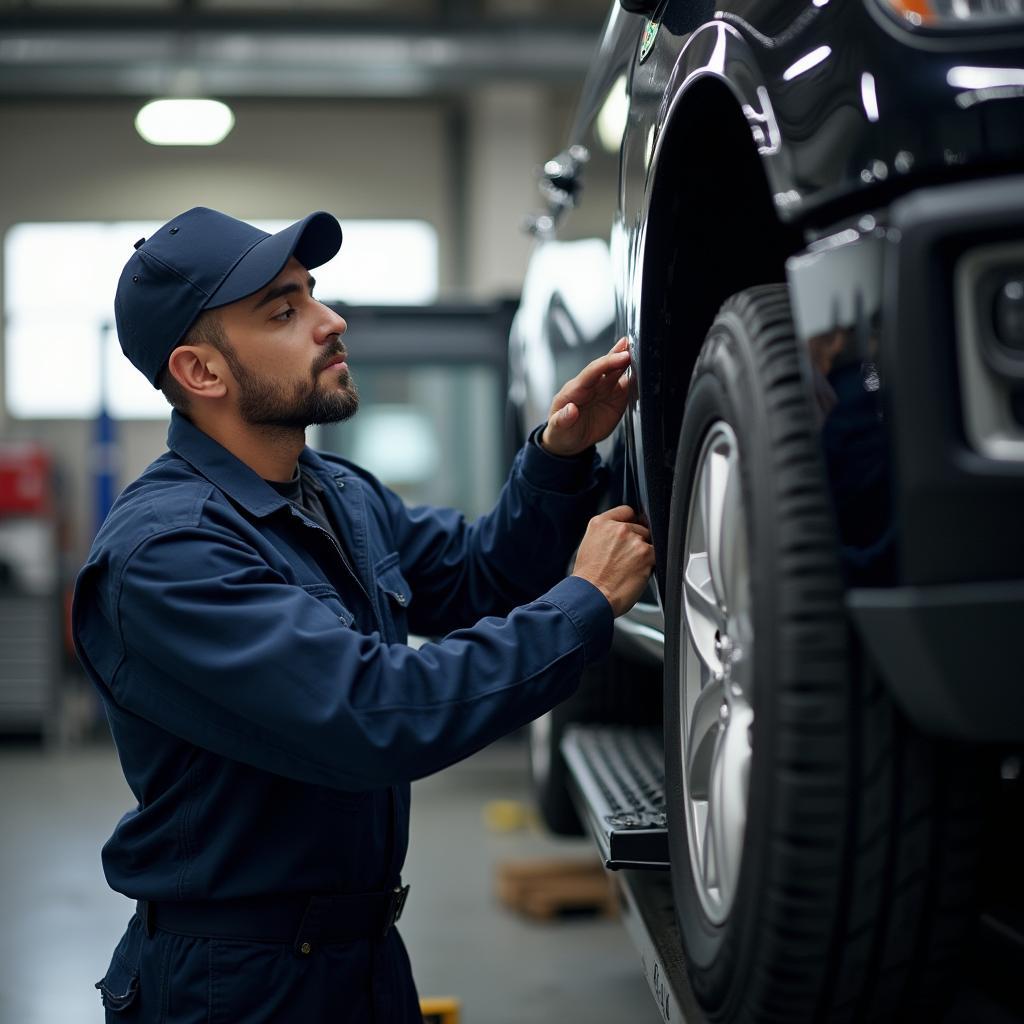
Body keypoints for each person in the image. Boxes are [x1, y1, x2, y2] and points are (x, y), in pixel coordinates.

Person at [72, 206, 654, 1023]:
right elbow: (372, 715)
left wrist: (557, 459)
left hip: (367, 959)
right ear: (202, 373)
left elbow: (479, 576)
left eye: (313, 294)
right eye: (284, 311)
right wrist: (582, 603)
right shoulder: (167, 554)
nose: (329, 320)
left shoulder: (336, 493)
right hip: (239, 986)